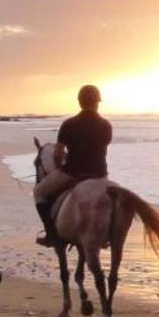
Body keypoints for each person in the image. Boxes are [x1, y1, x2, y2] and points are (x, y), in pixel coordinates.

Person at [35, 84, 112, 245]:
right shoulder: (106, 125)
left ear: (79, 102)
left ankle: (51, 234)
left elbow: (58, 153)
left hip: (73, 172)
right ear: (97, 102)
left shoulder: (69, 124)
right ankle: (107, 236)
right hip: (100, 175)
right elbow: (100, 149)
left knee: (39, 192)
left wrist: (59, 167)